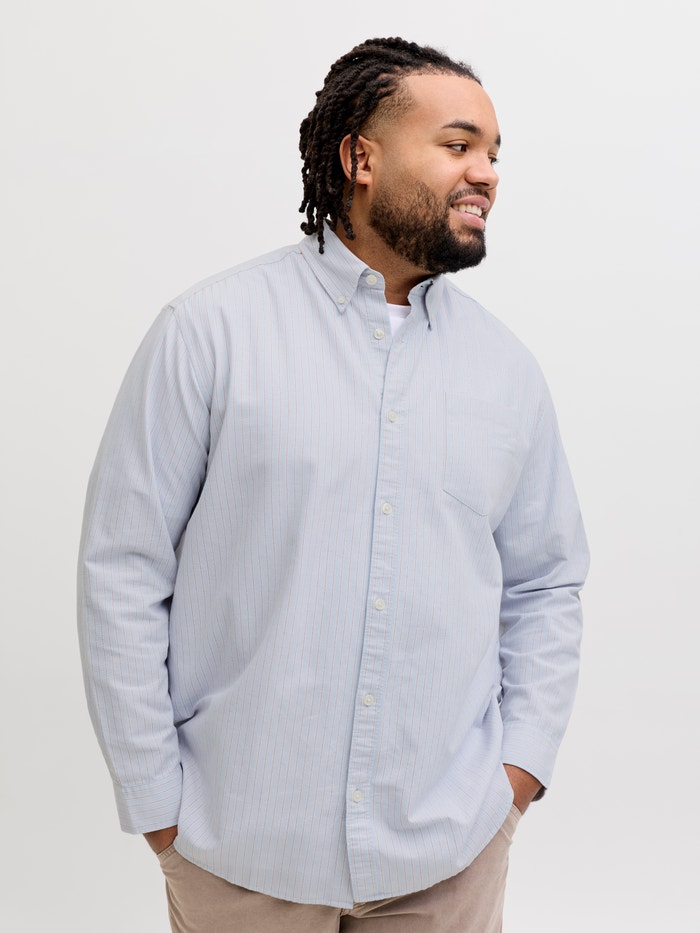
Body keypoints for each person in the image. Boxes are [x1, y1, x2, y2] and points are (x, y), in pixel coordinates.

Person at [78, 36, 589, 932]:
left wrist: (516, 776)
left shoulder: (506, 371)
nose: (486, 173)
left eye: (493, 153)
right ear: (360, 158)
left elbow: (546, 582)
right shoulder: (209, 332)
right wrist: (157, 803)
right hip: (238, 856)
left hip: (447, 857)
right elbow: (122, 570)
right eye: (458, 144)